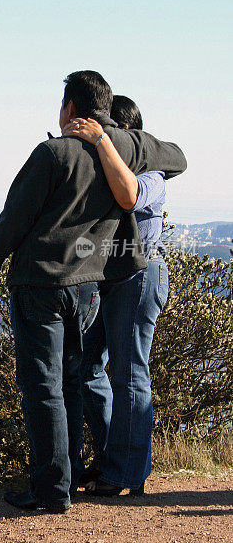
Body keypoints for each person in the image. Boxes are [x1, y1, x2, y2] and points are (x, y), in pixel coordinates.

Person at [0, 71, 187, 513]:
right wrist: (117, 140)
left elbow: (14, 221)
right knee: (73, 378)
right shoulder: (125, 147)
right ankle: (67, 481)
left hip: (42, 284)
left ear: (70, 109)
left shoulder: (53, 153)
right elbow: (177, 156)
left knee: (43, 386)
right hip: (87, 286)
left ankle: (53, 489)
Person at [63, 96, 169, 496]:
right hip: (107, 278)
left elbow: (129, 195)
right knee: (87, 366)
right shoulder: (103, 167)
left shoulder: (154, 176)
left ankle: (126, 474)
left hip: (141, 275)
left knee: (128, 374)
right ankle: (113, 459)